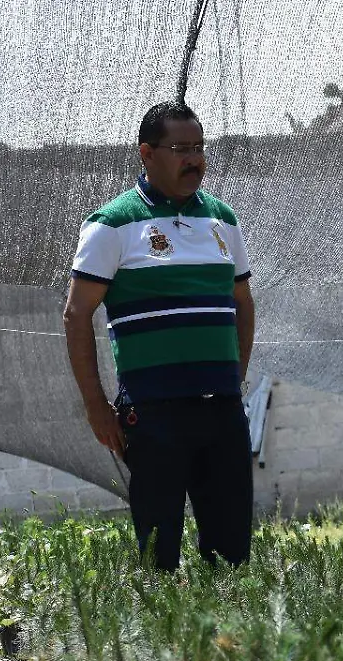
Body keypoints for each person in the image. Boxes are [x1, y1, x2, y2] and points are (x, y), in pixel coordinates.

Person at [62, 101, 255, 571]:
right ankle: (164, 621)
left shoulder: (223, 219)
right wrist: (96, 406)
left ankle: (227, 620)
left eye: (199, 148)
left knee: (232, 555)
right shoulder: (112, 224)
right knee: (158, 553)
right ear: (147, 154)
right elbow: (76, 314)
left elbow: (243, 302)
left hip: (222, 409)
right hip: (153, 414)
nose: (195, 159)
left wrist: (234, 379)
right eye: (180, 149)